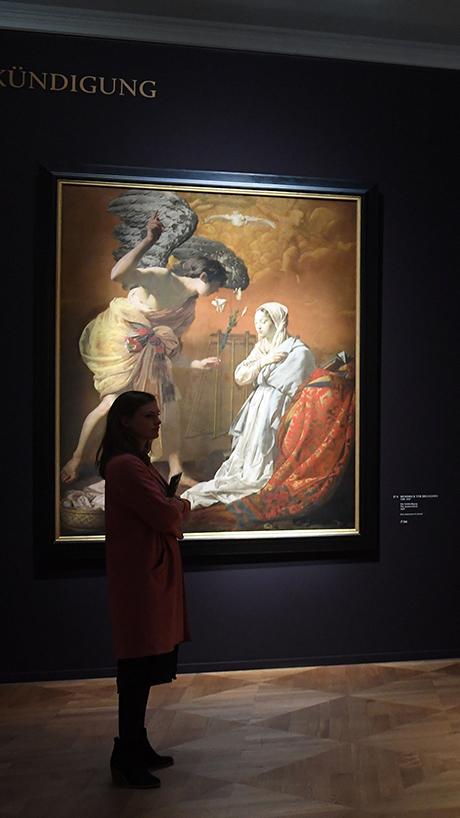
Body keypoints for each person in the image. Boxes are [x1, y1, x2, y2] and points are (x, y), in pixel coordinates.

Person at [62, 213, 223, 486]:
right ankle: (76, 458)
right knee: (111, 405)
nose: (217, 292)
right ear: (205, 276)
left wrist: (197, 364)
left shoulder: (188, 307)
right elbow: (118, 274)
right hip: (125, 344)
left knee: (170, 408)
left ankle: (176, 472)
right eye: (217, 286)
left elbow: (169, 347)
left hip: (154, 356)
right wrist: (148, 240)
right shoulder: (163, 278)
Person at [100, 390, 192, 789]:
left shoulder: (136, 463)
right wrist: (181, 508)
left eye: (158, 415)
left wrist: (171, 507)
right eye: (149, 416)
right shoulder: (126, 466)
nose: (157, 422)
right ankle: (127, 753)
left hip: (149, 572)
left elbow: (160, 509)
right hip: (141, 577)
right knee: (137, 665)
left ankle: (136, 744)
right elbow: (163, 514)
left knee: (145, 662)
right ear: (125, 421)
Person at [183, 303, 315, 508]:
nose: (258, 326)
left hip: (281, 405)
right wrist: (263, 362)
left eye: (264, 322)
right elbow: (241, 376)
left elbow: (296, 381)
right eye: (256, 322)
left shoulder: (298, 350)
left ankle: (270, 474)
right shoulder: (262, 348)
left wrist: (264, 376)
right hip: (259, 405)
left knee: (269, 443)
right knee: (253, 447)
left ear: (277, 322)